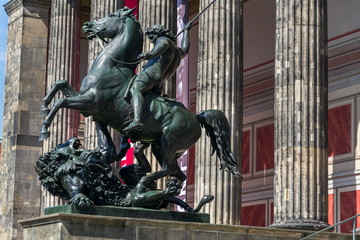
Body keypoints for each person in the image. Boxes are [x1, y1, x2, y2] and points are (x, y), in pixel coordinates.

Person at [124, 23, 192, 132]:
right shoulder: (177, 51)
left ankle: (137, 120)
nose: (151, 41)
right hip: (160, 81)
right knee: (150, 101)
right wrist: (186, 31)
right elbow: (185, 48)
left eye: (151, 37)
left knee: (135, 90)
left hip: (152, 73)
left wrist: (149, 55)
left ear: (157, 34)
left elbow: (163, 44)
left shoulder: (163, 40)